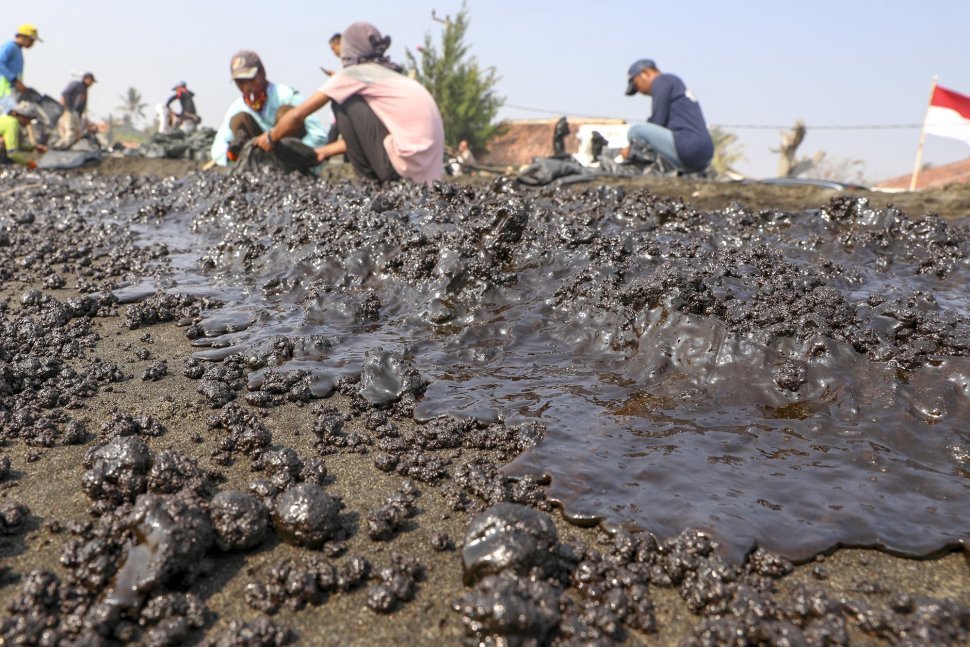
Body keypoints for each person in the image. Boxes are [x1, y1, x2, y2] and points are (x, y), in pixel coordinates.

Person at [256, 22, 444, 184]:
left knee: (343, 102)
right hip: (426, 174)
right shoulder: (388, 76)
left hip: (402, 171)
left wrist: (271, 137)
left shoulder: (355, 74)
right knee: (351, 101)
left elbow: (298, 115)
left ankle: (369, 183)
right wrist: (324, 151)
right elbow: (371, 136)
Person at [210, 50, 329, 169]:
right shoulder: (237, 107)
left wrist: (297, 151)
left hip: (292, 162)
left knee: (286, 113)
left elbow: (318, 135)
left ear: (261, 73)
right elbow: (217, 149)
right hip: (259, 165)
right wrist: (233, 154)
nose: (247, 87)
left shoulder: (286, 96)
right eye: (241, 82)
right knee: (239, 119)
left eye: (251, 79)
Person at [623, 58, 713, 174]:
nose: (639, 91)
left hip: (687, 147)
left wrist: (631, 149)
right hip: (704, 156)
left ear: (645, 73)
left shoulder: (661, 81)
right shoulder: (674, 82)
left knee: (635, 130)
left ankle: (641, 172)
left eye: (636, 85)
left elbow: (657, 121)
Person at [0, 24, 41, 113]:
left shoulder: (17, 50)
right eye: (31, 40)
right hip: (5, 91)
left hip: (13, 91)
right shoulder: (10, 47)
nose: (32, 43)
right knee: (13, 116)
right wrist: (14, 80)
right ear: (23, 37)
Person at [53, 71, 95, 149]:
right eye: (91, 81)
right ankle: (60, 146)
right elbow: (64, 94)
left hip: (76, 113)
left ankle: (63, 146)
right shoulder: (76, 85)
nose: (91, 83)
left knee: (75, 133)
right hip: (70, 110)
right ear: (86, 79)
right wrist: (64, 108)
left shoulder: (84, 89)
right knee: (70, 131)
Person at [0, 100, 47, 165]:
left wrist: (34, 147)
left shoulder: (8, 120)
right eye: (29, 119)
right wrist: (29, 163)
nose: (29, 122)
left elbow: (16, 145)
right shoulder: (12, 124)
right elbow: (12, 153)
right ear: (22, 116)